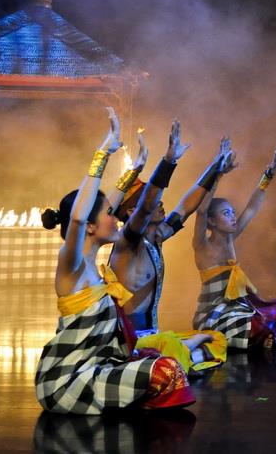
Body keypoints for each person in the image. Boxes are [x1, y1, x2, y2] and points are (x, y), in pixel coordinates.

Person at [35, 109, 194, 413]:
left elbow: (107, 202)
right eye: (109, 214)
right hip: (66, 382)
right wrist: (103, 153)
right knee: (167, 371)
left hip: (94, 371)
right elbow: (79, 216)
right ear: (89, 227)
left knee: (161, 358)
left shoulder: (92, 267)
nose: (116, 217)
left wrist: (138, 169)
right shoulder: (72, 264)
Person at [107, 124, 227, 373]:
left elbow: (185, 207)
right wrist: (169, 161)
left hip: (152, 336)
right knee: (173, 358)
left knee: (217, 340)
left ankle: (183, 351)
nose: (161, 204)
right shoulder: (127, 243)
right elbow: (148, 204)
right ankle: (181, 354)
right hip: (129, 342)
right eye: (154, 202)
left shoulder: (157, 236)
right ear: (132, 212)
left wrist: (215, 166)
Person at [192, 145, 276, 349]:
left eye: (232, 212)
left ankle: (268, 336)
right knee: (257, 324)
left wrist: (268, 175)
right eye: (226, 213)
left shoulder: (231, 237)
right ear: (211, 221)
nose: (233, 217)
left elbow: (252, 207)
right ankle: (266, 336)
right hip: (213, 315)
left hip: (239, 309)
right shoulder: (203, 246)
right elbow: (201, 211)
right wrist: (218, 175)